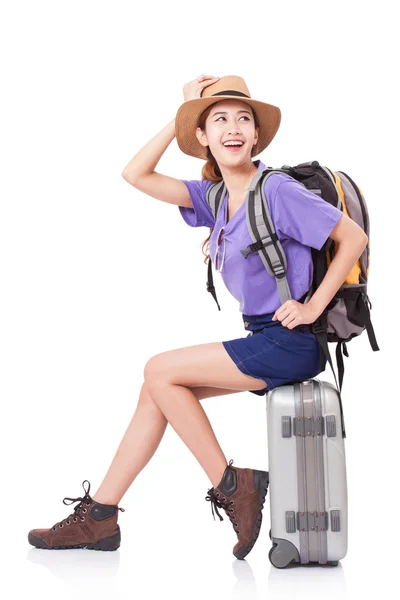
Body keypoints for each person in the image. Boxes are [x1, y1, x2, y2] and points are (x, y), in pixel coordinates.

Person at [27, 75, 368, 559]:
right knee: (157, 391)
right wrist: (183, 116)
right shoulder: (214, 198)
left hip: (292, 340)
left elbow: (352, 238)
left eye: (244, 119)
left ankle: (233, 486)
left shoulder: (277, 191)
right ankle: (100, 518)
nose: (234, 128)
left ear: (255, 136)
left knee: (158, 369)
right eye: (219, 120)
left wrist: (312, 306)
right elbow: (136, 174)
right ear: (203, 137)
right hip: (266, 337)